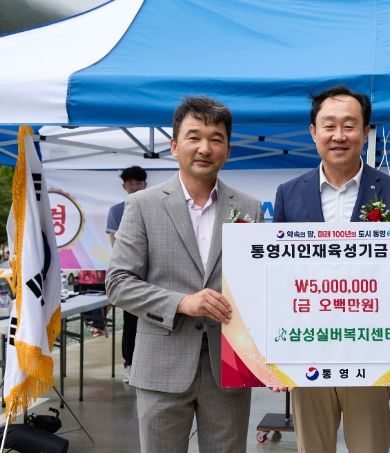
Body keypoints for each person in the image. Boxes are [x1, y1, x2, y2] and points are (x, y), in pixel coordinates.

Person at [106, 96, 263, 453]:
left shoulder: (249, 208)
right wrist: (181, 302)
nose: (205, 148)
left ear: (228, 149)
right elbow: (118, 283)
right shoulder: (142, 205)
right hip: (161, 364)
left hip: (229, 365)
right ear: (174, 145)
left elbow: (260, 286)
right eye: (194, 137)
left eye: (216, 138)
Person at [273, 85, 390, 453]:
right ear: (313, 132)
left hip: (372, 353)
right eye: (329, 125)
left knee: (370, 446)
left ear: (366, 132)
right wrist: (273, 359)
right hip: (307, 352)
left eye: (350, 125)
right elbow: (277, 279)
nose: (339, 135)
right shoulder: (289, 194)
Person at [105, 165, 147, 382]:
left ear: (145, 184)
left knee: (154, 321)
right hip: (131, 275)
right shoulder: (117, 211)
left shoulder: (154, 207)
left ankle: (148, 364)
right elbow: (115, 244)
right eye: (131, 183)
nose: (135, 186)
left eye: (138, 183)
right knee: (131, 322)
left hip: (154, 276)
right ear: (124, 186)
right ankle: (129, 364)